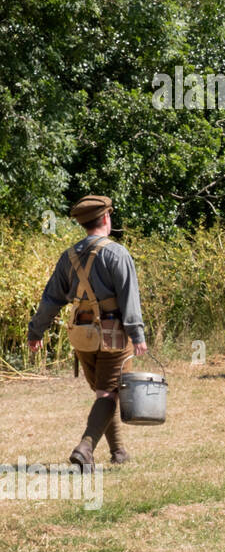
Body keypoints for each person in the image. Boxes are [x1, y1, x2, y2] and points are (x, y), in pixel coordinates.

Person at [27, 195, 148, 470]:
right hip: (113, 335)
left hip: (82, 337)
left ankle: (118, 451)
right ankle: (85, 449)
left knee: (105, 392)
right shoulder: (117, 253)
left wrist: (36, 332)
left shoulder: (68, 257)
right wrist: (137, 334)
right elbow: (130, 298)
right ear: (106, 218)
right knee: (108, 394)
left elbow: (50, 300)